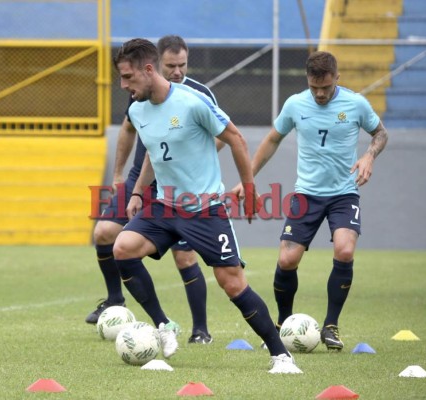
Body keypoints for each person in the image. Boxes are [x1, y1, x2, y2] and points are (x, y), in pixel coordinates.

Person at [112, 38, 300, 374]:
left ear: (149, 70)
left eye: (128, 77)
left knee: (232, 283)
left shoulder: (192, 102)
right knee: (122, 248)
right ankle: (164, 324)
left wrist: (251, 188)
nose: (124, 85)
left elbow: (236, 139)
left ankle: (281, 355)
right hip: (165, 206)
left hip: (205, 210)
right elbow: (156, 154)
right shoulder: (137, 109)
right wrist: (139, 192)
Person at [243, 51, 388, 351]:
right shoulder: (295, 104)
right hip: (306, 194)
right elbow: (273, 138)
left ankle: (331, 325)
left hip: (343, 193)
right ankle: (283, 322)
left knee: (345, 250)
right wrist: (249, 177)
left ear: (337, 78)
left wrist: (368, 156)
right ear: (307, 81)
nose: (320, 94)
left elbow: (380, 133)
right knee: (287, 260)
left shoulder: (356, 103)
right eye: (314, 88)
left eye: (325, 87)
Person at [86, 36, 219, 345]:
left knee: (184, 257)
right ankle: (115, 299)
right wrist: (118, 175)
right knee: (104, 233)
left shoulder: (198, 94)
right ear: (156, 64)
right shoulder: (141, 91)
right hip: (140, 178)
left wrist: (197, 160)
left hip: (178, 186)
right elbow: (129, 130)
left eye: (182, 65)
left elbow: (224, 134)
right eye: (171, 65)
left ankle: (201, 329)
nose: (177, 71)